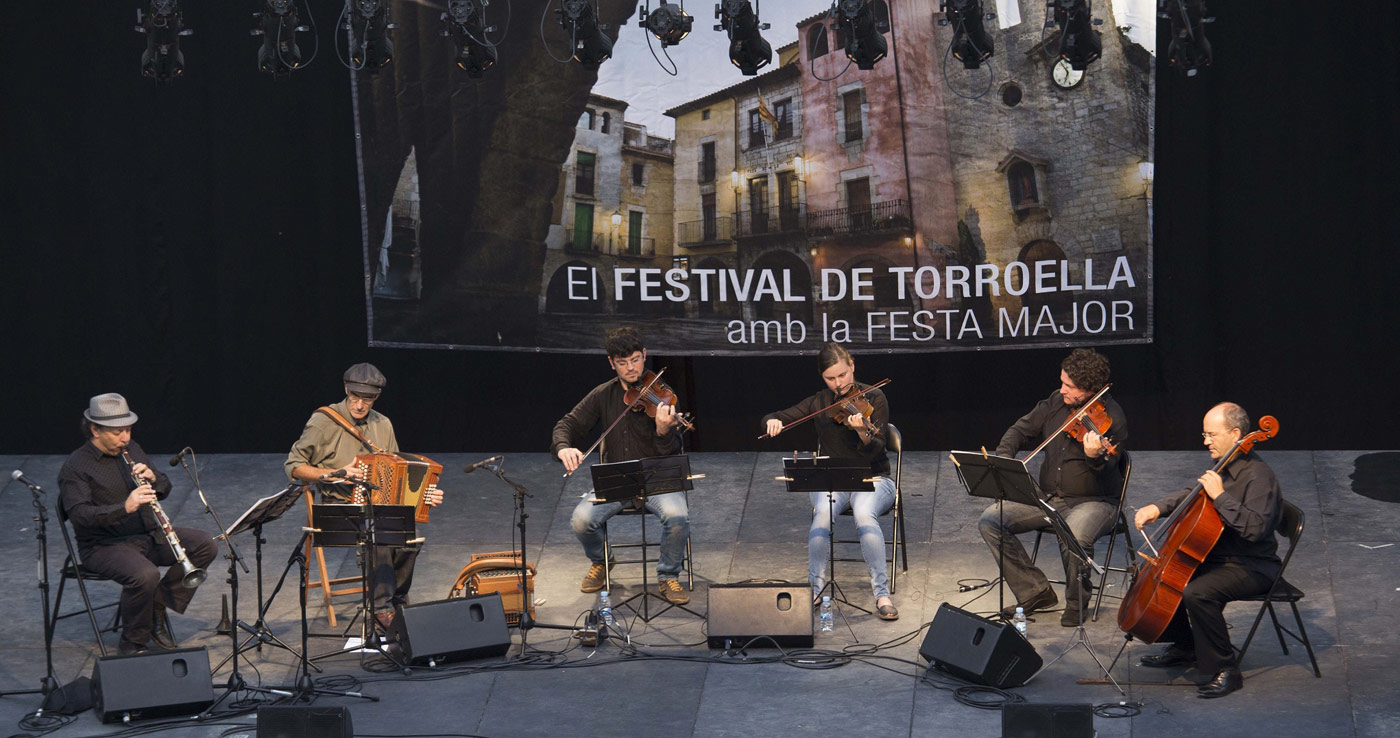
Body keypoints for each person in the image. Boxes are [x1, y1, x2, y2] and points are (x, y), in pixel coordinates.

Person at [1134, 402, 1282, 699]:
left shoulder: (1259, 476)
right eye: (1205, 435)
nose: (1205, 442)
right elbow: (1193, 493)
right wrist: (1158, 507)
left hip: (1252, 564)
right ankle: (1186, 645)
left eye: (1211, 435)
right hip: (1221, 557)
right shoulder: (1225, 466)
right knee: (1166, 574)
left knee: (1197, 591)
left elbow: (1255, 530)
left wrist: (1221, 496)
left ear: (1236, 433)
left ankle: (1226, 669)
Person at [58, 393, 219, 656]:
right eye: (118, 432)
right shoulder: (76, 467)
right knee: (145, 575)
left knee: (205, 544)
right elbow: (80, 516)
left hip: (148, 535)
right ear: (95, 430)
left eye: (129, 430)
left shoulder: (131, 450)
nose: (126, 438)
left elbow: (164, 487)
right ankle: (132, 644)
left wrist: (154, 478)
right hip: (103, 546)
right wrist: (125, 507)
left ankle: (157, 603)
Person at [285, 363, 442, 630]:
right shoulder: (323, 421)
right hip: (339, 503)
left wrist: (424, 494)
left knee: (408, 532)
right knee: (380, 532)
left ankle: (398, 599)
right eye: (354, 398)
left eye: (366, 400)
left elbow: (399, 470)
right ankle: (381, 608)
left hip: (377, 502)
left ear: (376, 398)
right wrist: (336, 473)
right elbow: (293, 465)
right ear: (346, 390)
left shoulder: (383, 424)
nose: (359, 405)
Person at [977, 348, 1127, 626]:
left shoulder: (1112, 419)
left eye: (1069, 386)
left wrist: (1094, 457)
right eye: (1062, 382)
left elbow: (1109, 468)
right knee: (991, 520)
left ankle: (1076, 602)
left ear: (1089, 389)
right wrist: (1004, 457)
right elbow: (1019, 430)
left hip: (1096, 501)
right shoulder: (1055, 403)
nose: (1062, 390)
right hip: (1048, 499)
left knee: (1075, 533)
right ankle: (1036, 592)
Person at [553, 327, 691, 605]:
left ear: (645, 356)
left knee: (678, 517)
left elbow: (674, 449)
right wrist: (563, 447)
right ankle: (602, 561)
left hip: (658, 479)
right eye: (623, 363)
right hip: (617, 480)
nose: (631, 369)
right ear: (611, 363)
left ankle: (668, 575)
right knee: (582, 521)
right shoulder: (603, 394)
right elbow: (566, 424)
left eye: (636, 360)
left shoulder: (662, 395)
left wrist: (664, 431)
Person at [762, 343, 898, 620]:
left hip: (873, 478)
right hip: (832, 480)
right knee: (822, 516)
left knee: (864, 515)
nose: (839, 384)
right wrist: (772, 421)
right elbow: (777, 415)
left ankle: (882, 594)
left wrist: (862, 432)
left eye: (843, 375)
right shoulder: (820, 402)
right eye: (831, 379)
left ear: (852, 366)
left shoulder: (874, 397)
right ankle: (816, 588)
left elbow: (877, 448)